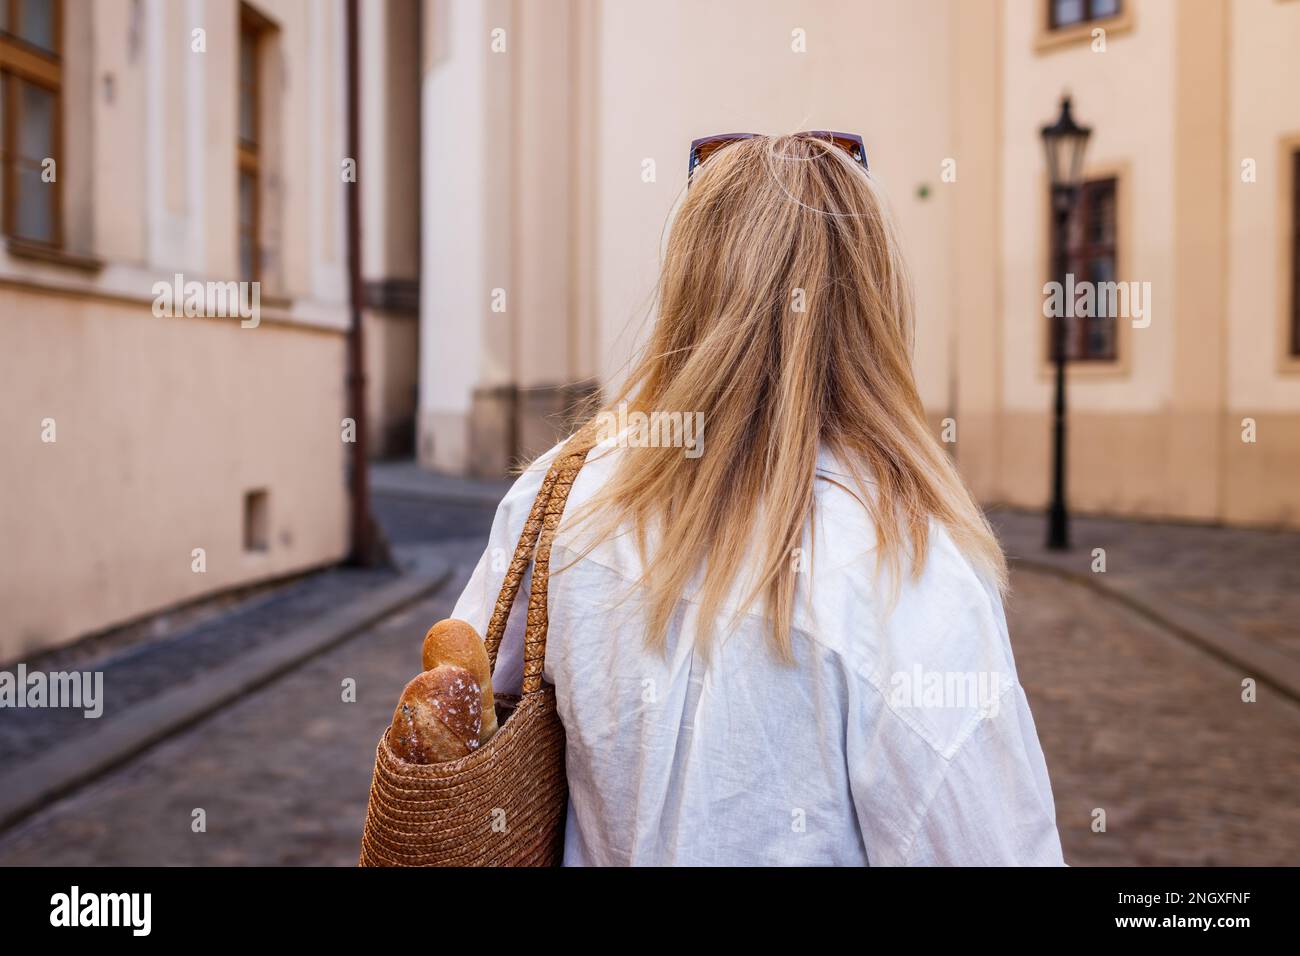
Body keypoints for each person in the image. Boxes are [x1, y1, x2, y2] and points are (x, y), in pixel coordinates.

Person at [452, 133, 1064, 866]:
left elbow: (464, 697)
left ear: (687, 288)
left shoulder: (560, 494)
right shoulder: (906, 567)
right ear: (873, 300)